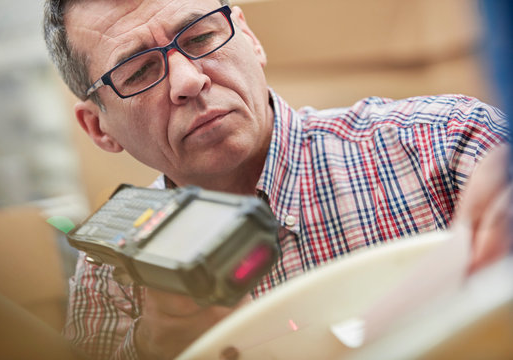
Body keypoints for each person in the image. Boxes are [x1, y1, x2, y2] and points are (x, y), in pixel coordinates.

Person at [43, 0, 510, 359]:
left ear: (249, 37)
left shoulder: (448, 145)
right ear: (99, 128)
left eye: (201, 37)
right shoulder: (110, 278)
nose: (188, 80)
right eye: (140, 70)